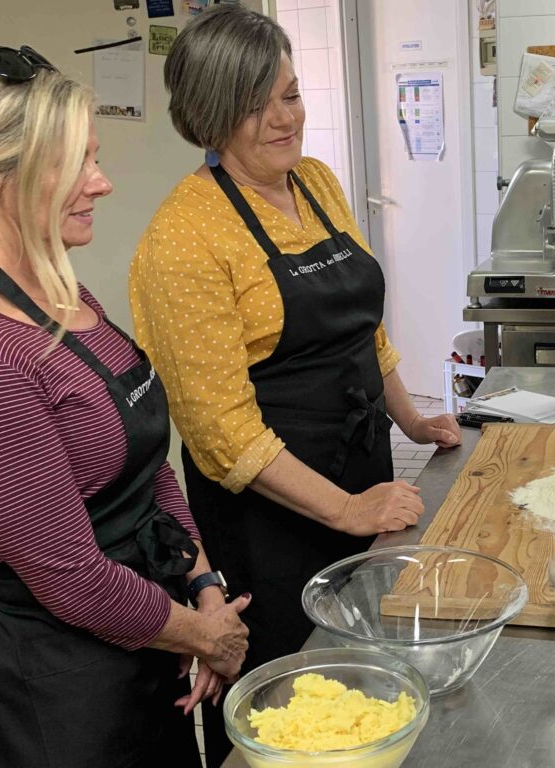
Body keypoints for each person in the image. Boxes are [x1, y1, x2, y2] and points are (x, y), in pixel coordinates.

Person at [128, 7, 462, 764]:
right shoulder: (182, 241)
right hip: (269, 523)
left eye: (291, 93)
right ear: (211, 113)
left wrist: (409, 417)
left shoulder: (313, 183)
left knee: (366, 690)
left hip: (360, 474)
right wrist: (344, 510)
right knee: (289, 715)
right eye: (257, 103)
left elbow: (361, 326)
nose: (286, 118)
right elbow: (221, 436)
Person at [0, 48, 251, 767]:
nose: (102, 183)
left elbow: (150, 473)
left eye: (97, 157)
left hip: (152, 644)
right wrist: (202, 635)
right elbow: (69, 576)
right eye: (75, 162)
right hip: (68, 691)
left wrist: (204, 587)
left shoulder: (69, 299)